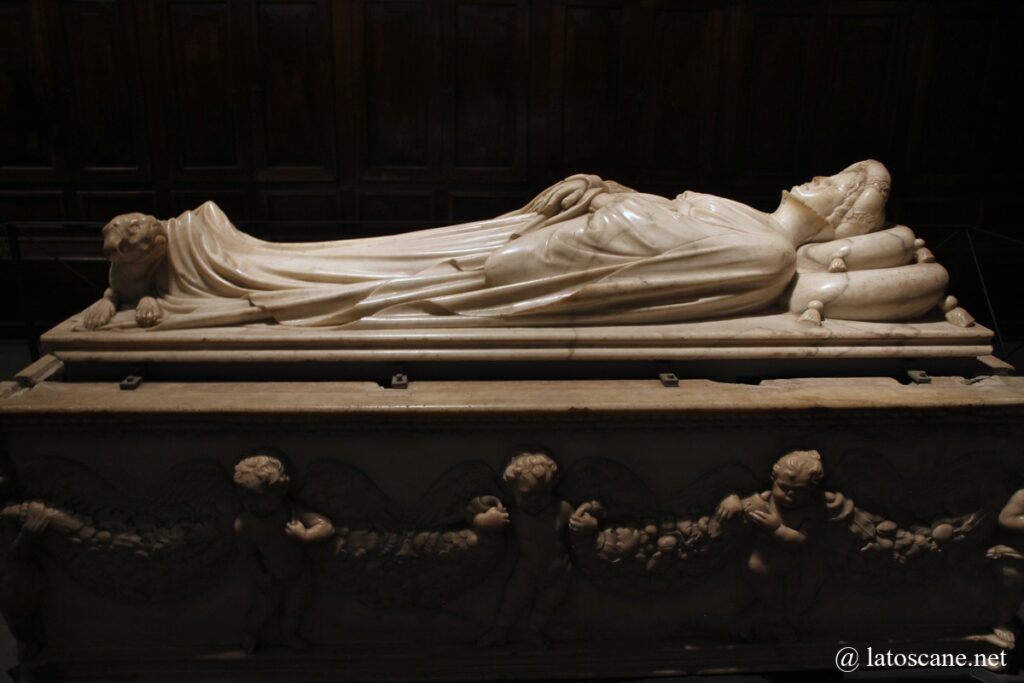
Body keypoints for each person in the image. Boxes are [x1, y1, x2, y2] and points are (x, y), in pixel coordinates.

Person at [79, 161, 957, 331]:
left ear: (839, 220)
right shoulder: (748, 219)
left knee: (389, 284)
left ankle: (212, 279)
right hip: (544, 232)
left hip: (534, 267)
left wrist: (516, 282)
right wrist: (602, 188)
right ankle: (221, 264)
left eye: (837, 187)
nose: (817, 179)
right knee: (384, 251)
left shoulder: (766, 257)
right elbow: (652, 216)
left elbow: (640, 289)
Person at [233, 451, 334, 652]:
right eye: (244, 498)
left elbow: (327, 526)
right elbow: (249, 555)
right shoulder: (244, 524)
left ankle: (289, 635)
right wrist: (260, 576)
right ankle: (250, 634)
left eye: (256, 497)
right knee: (261, 612)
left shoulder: (291, 511)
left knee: (294, 611)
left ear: (279, 492)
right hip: (272, 579)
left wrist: (305, 535)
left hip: (300, 576)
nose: (249, 504)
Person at [478, 451, 574, 649]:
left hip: (559, 572)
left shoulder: (562, 509)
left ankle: (531, 632)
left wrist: (587, 522)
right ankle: (499, 631)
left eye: (542, 494)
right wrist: (483, 521)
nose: (535, 501)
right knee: (510, 603)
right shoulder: (512, 513)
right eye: (527, 495)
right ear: (512, 491)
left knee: (547, 607)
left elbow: (583, 524)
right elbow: (475, 514)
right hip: (526, 572)